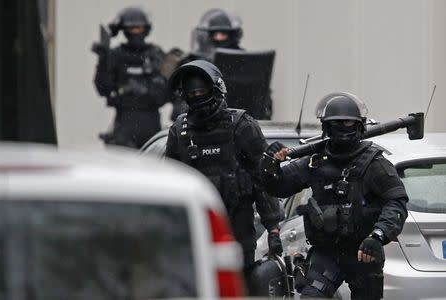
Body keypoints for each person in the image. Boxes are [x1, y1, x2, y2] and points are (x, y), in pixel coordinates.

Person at [261, 92, 408, 299]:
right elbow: (278, 187)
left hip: (363, 252)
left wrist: (378, 235)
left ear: (359, 125)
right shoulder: (314, 161)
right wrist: (270, 162)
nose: (342, 127)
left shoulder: (374, 163)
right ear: (326, 126)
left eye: (347, 122)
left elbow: (396, 203)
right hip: (326, 253)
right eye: (335, 123)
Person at [164, 60, 283, 293]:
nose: (197, 97)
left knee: (238, 288)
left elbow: (263, 178)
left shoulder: (241, 125)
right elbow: (168, 185)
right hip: (196, 231)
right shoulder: (179, 131)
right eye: (192, 93)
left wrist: (274, 229)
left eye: (202, 91)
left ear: (216, 88)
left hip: (238, 229)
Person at [168, 8, 273, 121]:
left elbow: (261, 99)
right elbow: (178, 99)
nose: (218, 38)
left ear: (233, 35)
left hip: (238, 120)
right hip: (202, 121)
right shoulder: (195, 62)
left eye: (222, 34)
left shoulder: (244, 62)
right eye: (215, 34)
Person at [92, 7, 167, 148]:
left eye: (138, 28)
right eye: (131, 28)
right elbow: (102, 88)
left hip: (151, 123)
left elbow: (167, 94)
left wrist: (145, 90)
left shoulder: (156, 55)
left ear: (146, 29)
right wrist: (103, 60)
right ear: (124, 30)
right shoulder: (115, 55)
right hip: (124, 123)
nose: (135, 32)